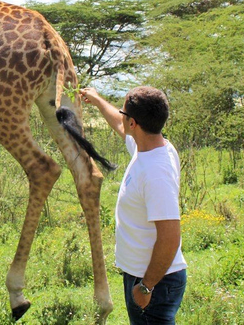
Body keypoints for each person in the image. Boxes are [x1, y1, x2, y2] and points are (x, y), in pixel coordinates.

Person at [80, 86, 187, 325]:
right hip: (144, 275)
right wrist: (97, 101)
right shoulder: (147, 146)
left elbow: (170, 237)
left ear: (134, 124)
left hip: (155, 281)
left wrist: (146, 287)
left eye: (124, 114)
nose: (122, 119)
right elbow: (120, 125)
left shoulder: (155, 172)